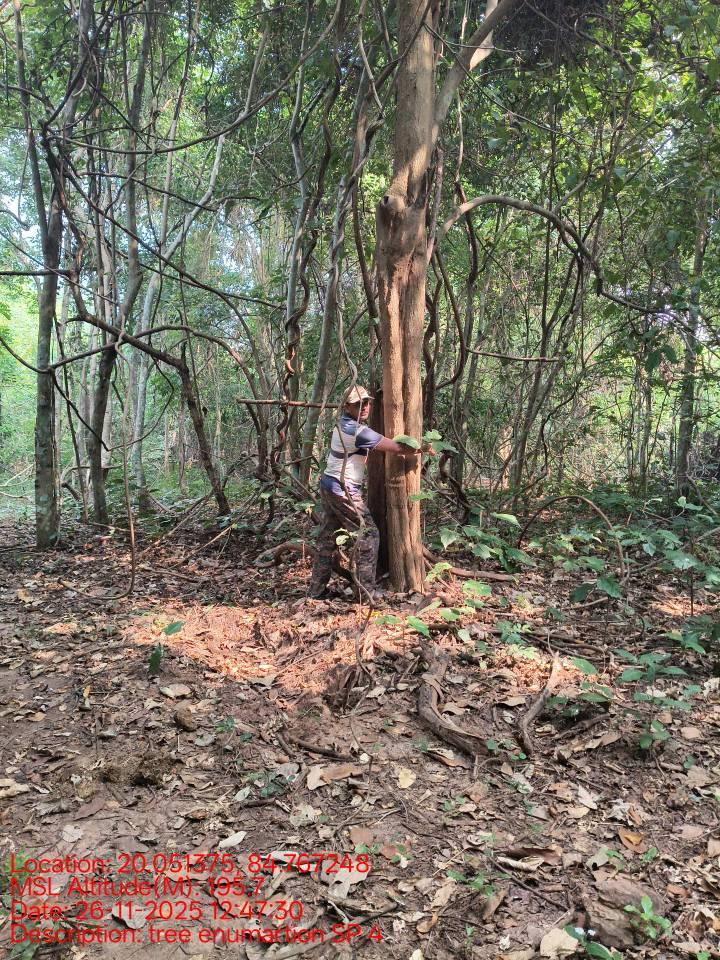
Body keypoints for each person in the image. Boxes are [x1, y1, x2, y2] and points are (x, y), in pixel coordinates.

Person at [308, 385, 423, 601]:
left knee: (327, 538)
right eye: (358, 404)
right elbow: (397, 447)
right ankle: (366, 593)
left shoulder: (342, 424)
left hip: (329, 484)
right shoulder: (356, 431)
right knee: (368, 534)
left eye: (367, 402)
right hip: (342, 489)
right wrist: (422, 448)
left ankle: (316, 591)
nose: (365, 407)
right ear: (347, 406)